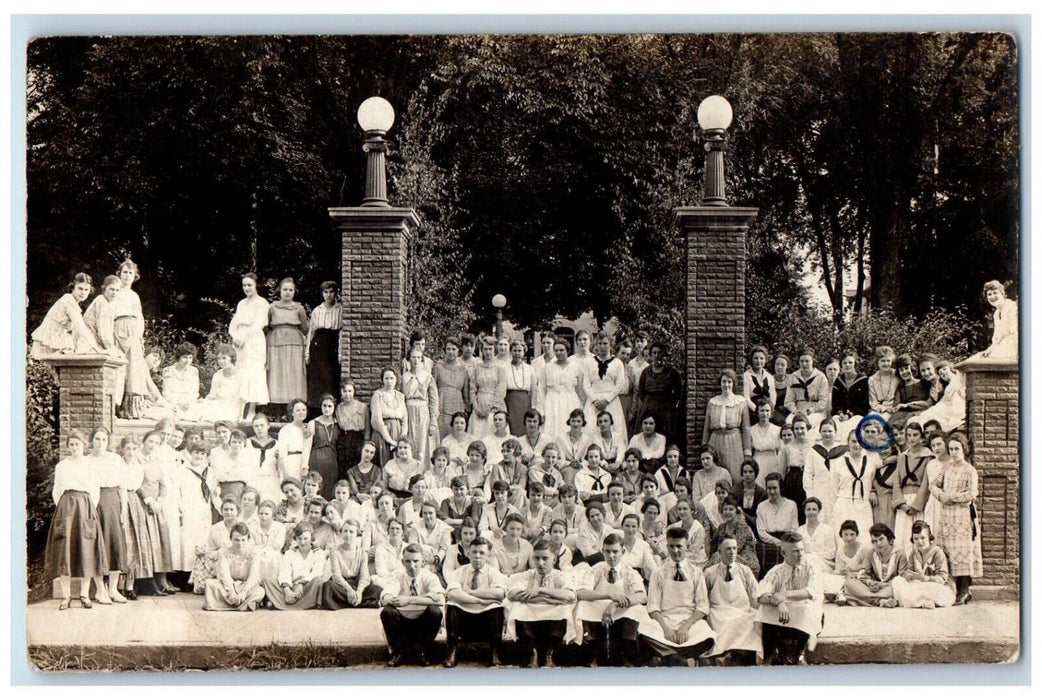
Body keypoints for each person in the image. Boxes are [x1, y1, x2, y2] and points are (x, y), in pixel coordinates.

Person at [45, 431, 108, 610]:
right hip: (66, 507)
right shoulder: (62, 466)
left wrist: (88, 509)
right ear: (68, 446)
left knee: (86, 551)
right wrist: (63, 507)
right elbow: (57, 490)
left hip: (85, 506)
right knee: (65, 551)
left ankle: (84, 594)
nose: (74, 448)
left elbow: (95, 490)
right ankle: (66, 596)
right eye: (71, 444)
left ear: (83, 446)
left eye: (77, 445)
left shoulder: (90, 464)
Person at [637, 526, 717, 666]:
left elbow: (703, 606)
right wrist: (666, 629)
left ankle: (667, 656)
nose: (675, 551)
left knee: (707, 635)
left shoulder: (696, 572)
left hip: (689, 620)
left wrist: (685, 627)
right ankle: (677, 657)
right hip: (665, 619)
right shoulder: (658, 573)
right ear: (667, 546)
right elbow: (653, 606)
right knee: (644, 630)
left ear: (687, 546)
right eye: (671, 546)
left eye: (679, 546)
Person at [575, 533, 649, 667]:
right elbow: (581, 593)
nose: (611, 556)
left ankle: (628, 652)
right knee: (582, 605)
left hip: (621, 611)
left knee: (637, 608)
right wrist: (608, 597)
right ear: (602, 551)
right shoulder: (596, 569)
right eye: (607, 551)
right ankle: (591, 650)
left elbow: (642, 596)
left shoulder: (629, 571)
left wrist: (615, 603)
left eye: (615, 551)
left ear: (623, 551)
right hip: (599, 611)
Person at [756, 531, 824, 665]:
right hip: (783, 620)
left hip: (805, 618)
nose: (800, 555)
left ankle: (799, 654)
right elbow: (760, 593)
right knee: (764, 608)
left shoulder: (811, 567)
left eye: (801, 550)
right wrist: (778, 603)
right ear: (783, 553)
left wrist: (785, 594)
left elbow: (813, 590)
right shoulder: (777, 571)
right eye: (795, 551)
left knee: (808, 606)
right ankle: (768, 656)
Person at [507, 539, 577, 668]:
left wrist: (540, 590)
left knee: (564, 609)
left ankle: (549, 654)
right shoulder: (528, 575)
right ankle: (532, 653)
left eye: (545, 558)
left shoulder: (560, 576)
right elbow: (512, 593)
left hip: (551, 623)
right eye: (537, 559)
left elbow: (570, 595)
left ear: (554, 559)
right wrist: (550, 599)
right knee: (517, 607)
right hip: (532, 622)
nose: (540, 563)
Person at [933, 432, 982, 605]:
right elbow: (933, 485)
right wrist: (940, 495)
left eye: (957, 449)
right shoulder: (946, 467)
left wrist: (951, 497)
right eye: (951, 449)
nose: (954, 452)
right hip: (946, 515)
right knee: (948, 550)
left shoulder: (970, 470)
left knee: (962, 551)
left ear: (964, 449)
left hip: (962, 516)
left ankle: (964, 590)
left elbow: (971, 494)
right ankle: (951, 589)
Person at [443, 537, 508, 667]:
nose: (477, 556)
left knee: (497, 608)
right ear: (468, 553)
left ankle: (495, 651)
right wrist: (481, 600)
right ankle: (452, 650)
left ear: (488, 555)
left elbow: (499, 593)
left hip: (485, 622)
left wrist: (470, 592)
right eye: (474, 552)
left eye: (482, 553)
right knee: (451, 606)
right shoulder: (459, 572)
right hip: (464, 622)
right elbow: (452, 594)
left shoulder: (494, 573)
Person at [378, 544, 446, 667]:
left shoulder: (430, 577)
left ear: (423, 562)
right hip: (402, 623)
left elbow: (440, 600)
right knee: (387, 612)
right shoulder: (397, 576)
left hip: (423, 623)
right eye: (408, 561)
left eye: (416, 561)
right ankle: (398, 652)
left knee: (435, 611)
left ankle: (422, 651)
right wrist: (427, 598)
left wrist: (409, 600)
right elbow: (384, 598)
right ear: (402, 562)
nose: (412, 566)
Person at [85, 428, 128, 604]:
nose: (100, 442)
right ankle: (100, 590)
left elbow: (122, 486)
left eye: (103, 439)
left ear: (108, 442)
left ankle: (113, 589)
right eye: (97, 439)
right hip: (93, 502)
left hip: (112, 502)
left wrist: (123, 509)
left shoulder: (115, 459)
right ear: (91, 440)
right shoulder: (86, 461)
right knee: (97, 544)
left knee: (115, 544)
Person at [704, 535, 761, 665]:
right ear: (719, 552)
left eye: (734, 548)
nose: (732, 552)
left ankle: (735, 655)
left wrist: (757, 612)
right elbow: (703, 596)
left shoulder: (745, 571)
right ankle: (724, 654)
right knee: (725, 621)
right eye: (728, 549)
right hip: (719, 610)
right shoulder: (710, 572)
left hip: (742, 610)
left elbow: (754, 594)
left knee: (750, 620)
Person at [135, 430, 176, 595]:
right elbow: (137, 482)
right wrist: (149, 500)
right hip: (143, 504)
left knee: (162, 541)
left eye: (156, 443)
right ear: (144, 441)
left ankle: (161, 581)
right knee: (148, 542)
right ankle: (148, 584)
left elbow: (163, 484)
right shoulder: (137, 458)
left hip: (157, 506)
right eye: (150, 441)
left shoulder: (157, 460)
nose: (153, 446)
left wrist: (160, 500)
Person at [173, 442, 218, 588]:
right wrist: (179, 510)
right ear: (190, 453)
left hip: (204, 512)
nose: (199, 456)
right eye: (196, 453)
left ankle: (199, 577)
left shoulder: (210, 472)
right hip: (188, 511)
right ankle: (184, 578)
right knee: (187, 544)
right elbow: (176, 493)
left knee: (202, 543)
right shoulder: (181, 471)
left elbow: (214, 493)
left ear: (207, 456)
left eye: (203, 454)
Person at [31, 272, 104, 360]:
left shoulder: (74, 303)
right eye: (80, 288)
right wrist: (97, 348)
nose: (83, 293)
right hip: (47, 340)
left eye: (86, 290)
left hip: (57, 340)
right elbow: (80, 327)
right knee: (48, 370)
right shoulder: (68, 300)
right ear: (73, 287)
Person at [229, 272, 270, 417]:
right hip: (240, 342)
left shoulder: (262, 303)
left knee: (254, 373)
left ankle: (252, 410)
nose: (247, 288)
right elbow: (234, 323)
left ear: (256, 286)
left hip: (254, 342)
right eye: (244, 285)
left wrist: (244, 339)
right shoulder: (241, 303)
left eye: (249, 285)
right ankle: (240, 410)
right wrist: (235, 336)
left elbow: (257, 324)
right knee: (241, 372)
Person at [262, 521, 329, 609]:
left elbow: (317, 572)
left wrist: (301, 584)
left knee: (318, 580)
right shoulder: (289, 553)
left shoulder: (318, 553)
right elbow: (284, 572)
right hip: (291, 587)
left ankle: (287, 603)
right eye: (299, 538)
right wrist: (287, 590)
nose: (302, 542)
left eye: (306, 538)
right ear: (295, 538)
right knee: (267, 579)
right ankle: (289, 599)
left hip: (306, 588)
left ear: (311, 537)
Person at [891, 521, 957, 609]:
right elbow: (909, 572)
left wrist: (924, 578)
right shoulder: (913, 553)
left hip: (938, 586)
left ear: (929, 538)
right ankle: (923, 602)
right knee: (897, 580)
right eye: (916, 539)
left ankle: (915, 602)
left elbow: (942, 578)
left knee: (940, 594)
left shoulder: (938, 553)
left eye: (923, 538)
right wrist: (907, 575)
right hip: (920, 586)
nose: (919, 542)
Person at [266, 277, 308, 413]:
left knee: (294, 375)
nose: (288, 292)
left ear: (294, 291)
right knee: (277, 375)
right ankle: (276, 410)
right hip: (276, 343)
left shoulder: (299, 308)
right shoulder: (272, 307)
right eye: (285, 289)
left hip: (295, 344)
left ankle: (292, 409)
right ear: (280, 291)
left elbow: (304, 328)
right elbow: (266, 326)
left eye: (291, 290)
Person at [202, 523, 265, 612]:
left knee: (260, 591)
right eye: (236, 540)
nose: (240, 543)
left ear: (248, 539)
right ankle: (244, 604)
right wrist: (231, 592)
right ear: (231, 539)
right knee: (210, 584)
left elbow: (253, 575)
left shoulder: (254, 553)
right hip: (228, 586)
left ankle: (229, 603)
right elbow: (225, 575)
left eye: (243, 540)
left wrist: (244, 592)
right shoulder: (223, 552)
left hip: (245, 585)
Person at [891, 421, 933, 552]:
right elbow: (896, 481)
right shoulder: (903, 457)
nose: (912, 438)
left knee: (918, 534)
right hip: (904, 501)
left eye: (915, 435)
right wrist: (901, 503)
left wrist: (916, 506)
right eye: (909, 435)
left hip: (918, 502)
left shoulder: (928, 457)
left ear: (921, 436)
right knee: (901, 535)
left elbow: (925, 484)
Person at [580, 333, 629, 445]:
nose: (602, 346)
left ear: (610, 345)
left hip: (611, 401)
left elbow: (619, 384)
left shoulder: (617, 363)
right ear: (596, 345)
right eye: (600, 344)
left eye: (605, 343)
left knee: (614, 428)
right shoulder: (589, 362)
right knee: (591, 428)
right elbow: (586, 384)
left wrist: (607, 400)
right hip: (594, 401)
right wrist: (594, 400)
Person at [703, 369, 753, 480]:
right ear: (720, 383)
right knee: (715, 474)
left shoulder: (740, 402)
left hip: (734, 442)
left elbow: (746, 429)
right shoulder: (712, 402)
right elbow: (706, 428)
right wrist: (704, 447)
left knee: (735, 474)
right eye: (724, 382)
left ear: (733, 383)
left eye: (729, 382)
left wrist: (747, 451)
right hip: (715, 441)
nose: (726, 385)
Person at [842, 523, 907, 607]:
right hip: (874, 588)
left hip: (890, 587)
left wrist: (884, 585)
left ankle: (864, 600)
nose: (878, 543)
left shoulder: (900, 554)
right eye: (875, 541)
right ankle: (881, 601)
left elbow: (902, 578)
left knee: (898, 589)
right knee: (849, 583)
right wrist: (871, 583)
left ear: (888, 538)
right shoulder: (871, 553)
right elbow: (864, 573)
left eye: (881, 539)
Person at [832, 430, 879, 545]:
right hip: (844, 504)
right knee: (844, 540)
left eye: (860, 441)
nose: (857, 445)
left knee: (865, 540)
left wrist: (872, 491)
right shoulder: (837, 463)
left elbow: (873, 480)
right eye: (853, 441)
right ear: (848, 442)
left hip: (863, 504)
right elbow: (833, 489)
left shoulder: (871, 462)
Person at [633, 342, 682, 444]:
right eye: (654, 353)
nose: (657, 355)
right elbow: (640, 392)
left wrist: (670, 405)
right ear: (651, 355)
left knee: (665, 434)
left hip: (665, 407)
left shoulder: (672, 372)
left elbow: (678, 392)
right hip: (649, 405)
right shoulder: (646, 372)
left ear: (664, 355)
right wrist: (646, 404)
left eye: (660, 353)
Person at [320, 519, 374, 609]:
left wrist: (359, 592)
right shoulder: (335, 551)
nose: (348, 535)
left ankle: (348, 602)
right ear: (341, 533)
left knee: (375, 589)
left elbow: (364, 576)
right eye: (345, 531)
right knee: (328, 587)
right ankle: (360, 603)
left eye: (351, 532)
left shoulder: (362, 553)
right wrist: (349, 590)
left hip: (356, 584)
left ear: (357, 534)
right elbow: (336, 576)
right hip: (342, 585)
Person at [537, 338, 583, 443]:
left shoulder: (576, 367)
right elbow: (541, 389)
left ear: (568, 351)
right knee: (553, 427)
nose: (558, 353)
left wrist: (581, 407)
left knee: (568, 425)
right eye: (556, 350)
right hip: (552, 401)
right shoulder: (547, 368)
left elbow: (580, 389)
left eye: (561, 350)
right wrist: (541, 410)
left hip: (570, 401)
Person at [190, 497, 240, 594]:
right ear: (221, 511)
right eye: (226, 509)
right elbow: (210, 548)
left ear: (237, 511)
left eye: (231, 509)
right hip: (220, 557)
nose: (228, 512)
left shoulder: (241, 527)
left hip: (237, 558)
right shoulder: (216, 528)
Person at [306, 281, 342, 410]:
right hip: (318, 345)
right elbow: (311, 332)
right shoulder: (317, 310)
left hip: (332, 343)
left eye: (331, 292)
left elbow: (342, 331)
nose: (329, 295)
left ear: (336, 293)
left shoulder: (341, 309)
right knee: (318, 378)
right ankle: (316, 409)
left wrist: (341, 352)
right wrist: (307, 353)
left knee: (330, 378)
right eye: (326, 292)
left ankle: (331, 407)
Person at [402, 345, 440, 468]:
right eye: (413, 357)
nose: (416, 360)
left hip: (423, 414)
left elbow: (434, 401)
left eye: (419, 357)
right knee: (410, 444)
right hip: (408, 412)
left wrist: (433, 421)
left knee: (423, 446)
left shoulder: (428, 377)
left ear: (422, 359)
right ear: (409, 359)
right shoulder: (404, 377)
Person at [803, 418, 845, 525]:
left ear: (835, 432)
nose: (827, 434)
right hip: (818, 490)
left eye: (830, 431)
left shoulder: (843, 451)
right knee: (819, 519)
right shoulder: (814, 450)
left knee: (836, 520)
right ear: (820, 432)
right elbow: (808, 473)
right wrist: (810, 495)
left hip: (837, 491)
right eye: (824, 431)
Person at [705, 497, 760, 578]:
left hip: (745, 561)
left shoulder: (742, 527)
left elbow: (735, 549)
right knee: (716, 558)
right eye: (725, 509)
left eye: (731, 509)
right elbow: (713, 543)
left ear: (736, 512)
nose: (727, 512)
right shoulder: (722, 527)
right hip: (726, 557)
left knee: (718, 556)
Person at [755, 472, 798, 574]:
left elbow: (794, 529)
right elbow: (761, 532)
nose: (772, 491)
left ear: (780, 488)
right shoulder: (761, 506)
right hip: (768, 543)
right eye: (769, 488)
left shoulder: (791, 505)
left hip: (787, 541)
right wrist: (777, 542)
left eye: (775, 488)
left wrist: (784, 542)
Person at [370, 367, 409, 469]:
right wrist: (390, 440)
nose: (389, 381)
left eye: (391, 378)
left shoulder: (400, 396)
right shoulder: (378, 395)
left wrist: (402, 438)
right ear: (382, 380)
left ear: (396, 379)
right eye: (386, 378)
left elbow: (404, 419)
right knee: (384, 462)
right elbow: (377, 419)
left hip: (397, 432)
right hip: (382, 434)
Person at [470, 337, 508, 440]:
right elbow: (472, 389)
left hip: (494, 407)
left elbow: (501, 391)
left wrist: (490, 408)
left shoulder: (500, 369)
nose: (488, 352)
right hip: (479, 405)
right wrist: (476, 407)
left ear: (494, 350)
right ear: (482, 350)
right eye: (485, 349)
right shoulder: (477, 368)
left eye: (490, 349)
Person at [433, 337, 471, 438]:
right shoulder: (438, 367)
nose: (451, 352)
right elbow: (432, 390)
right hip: (441, 408)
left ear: (458, 351)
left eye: (453, 349)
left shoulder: (463, 370)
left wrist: (466, 410)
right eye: (448, 349)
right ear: (445, 350)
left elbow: (466, 394)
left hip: (457, 409)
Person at [784, 348, 829, 430]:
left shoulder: (821, 377)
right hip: (798, 410)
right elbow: (788, 400)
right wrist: (795, 411)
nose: (804, 364)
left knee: (808, 423)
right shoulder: (793, 377)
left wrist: (811, 410)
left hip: (816, 411)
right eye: (801, 361)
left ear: (812, 361)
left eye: (807, 361)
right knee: (789, 422)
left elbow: (823, 401)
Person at [972, 279, 1018, 360]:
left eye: (995, 293)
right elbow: (996, 340)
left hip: (1014, 347)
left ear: (1002, 294)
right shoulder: (996, 314)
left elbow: (1015, 334)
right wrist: (989, 351)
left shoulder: (1012, 307)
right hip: (1003, 347)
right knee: (976, 358)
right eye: (989, 294)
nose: (992, 296)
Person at [305, 393, 340, 500]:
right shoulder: (313, 423)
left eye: (330, 406)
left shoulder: (338, 424)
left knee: (330, 489)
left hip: (331, 462)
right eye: (324, 406)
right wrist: (304, 466)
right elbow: (307, 446)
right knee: (315, 487)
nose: (327, 409)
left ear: (334, 407)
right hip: (316, 459)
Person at [916, 361, 967, 432]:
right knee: (926, 415)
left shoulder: (959, 377)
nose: (943, 373)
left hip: (957, 406)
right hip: (949, 407)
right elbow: (943, 401)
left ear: (950, 368)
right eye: (941, 374)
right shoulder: (947, 386)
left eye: (944, 369)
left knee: (929, 415)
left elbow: (963, 367)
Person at [198, 344, 244, 423]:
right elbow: (212, 395)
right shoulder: (217, 375)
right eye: (218, 359)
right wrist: (204, 401)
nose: (221, 361)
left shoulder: (241, 375)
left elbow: (243, 398)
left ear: (232, 358)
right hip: (218, 404)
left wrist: (241, 415)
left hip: (232, 407)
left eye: (224, 358)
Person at [334, 380, 370, 479]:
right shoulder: (338, 408)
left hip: (358, 439)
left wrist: (366, 443)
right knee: (343, 467)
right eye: (344, 391)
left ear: (354, 391)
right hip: (344, 440)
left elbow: (367, 428)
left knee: (357, 467)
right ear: (341, 392)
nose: (347, 394)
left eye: (350, 391)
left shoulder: (362, 407)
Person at [781, 414, 813, 522]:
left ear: (807, 428)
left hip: (809, 479)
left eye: (802, 428)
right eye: (796, 428)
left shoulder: (814, 446)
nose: (799, 431)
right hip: (793, 481)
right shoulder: (788, 448)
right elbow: (782, 470)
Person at [830, 349, 870, 434]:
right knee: (835, 425)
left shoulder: (863, 381)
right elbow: (836, 402)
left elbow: (864, 404)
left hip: (857, 414)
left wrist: (849, 415)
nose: (847, 365)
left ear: (855, 363)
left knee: (849, 426)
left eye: (850, 362)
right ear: (841, 365)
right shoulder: (838, 381)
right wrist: (840, 412)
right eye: (844, 363)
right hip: (841, 415)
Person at [890, 353, 934, 429]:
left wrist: (909, 406)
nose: (904, 372)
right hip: (904, 413)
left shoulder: (923, 383)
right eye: (901, 370)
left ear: (912, 368)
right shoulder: (900, 389)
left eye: (906, 368)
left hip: (921, 411)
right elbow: (896, 406)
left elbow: (929, 402)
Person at [500, 339, 534, 436]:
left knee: (524, 427)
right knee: (511, 427)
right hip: (510, 401)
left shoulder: (530, 369)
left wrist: (534, 405)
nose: (517, 353)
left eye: (520, 351)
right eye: (514, 350)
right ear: (510, 352)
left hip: (525, 402)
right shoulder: (504, 368)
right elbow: (502, 389)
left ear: (524, 352)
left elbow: (534, 390)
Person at [161, 343, 201, 419]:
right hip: (173, 403)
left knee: (199, 412)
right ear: (178, 357)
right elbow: (166, 392)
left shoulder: (194, 371)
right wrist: (178, 403)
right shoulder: (168, 371)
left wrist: (187, 403)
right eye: (185, 357)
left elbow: (195, 391)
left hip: (188, 404)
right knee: (168, 413)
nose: (187, 361)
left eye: (190, 358)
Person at [250, 500, 287, 582]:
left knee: (272, 559)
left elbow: (277, 546)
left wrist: (260, 548)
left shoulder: (280, 527)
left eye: (266, 514)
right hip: (256, 557)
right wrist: (266, 547)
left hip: (274, 558)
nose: (263, 516)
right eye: (261, 513)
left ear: (273, 516)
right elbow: (250, 547)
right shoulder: (252, 528)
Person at [489, 437, 528, 509]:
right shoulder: (497, 467)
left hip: (517, 497)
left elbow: (521, 486)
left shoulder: (523, 468)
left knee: (521, 493)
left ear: (516, 452)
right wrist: (512, 487)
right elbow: (495, 487)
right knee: (520, 493)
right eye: (503, 451)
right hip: (500, 498)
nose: (505, 454)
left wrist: (508, 487)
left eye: (508, 451)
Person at [619, 513, 660, 581]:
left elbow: (650, 563)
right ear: (622, 526)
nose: (630, 529)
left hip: (638, 580)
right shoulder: (617, 545)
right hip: (620, 579)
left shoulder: (643, 545)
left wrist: (658, 576)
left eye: (633, 526)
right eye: (627, 526)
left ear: (638, 528)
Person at [749, 399, 782, 483]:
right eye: (762, 410)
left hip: (773, 461)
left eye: (767, 410)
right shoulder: (751, 430)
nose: (764, 413)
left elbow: (781, 450)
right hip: (757, 460)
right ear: (757, 412)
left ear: (771, 413)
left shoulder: (778, 430)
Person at [733, 459, 767, 534]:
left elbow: (761, 518)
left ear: (756, 473)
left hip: (756, 528)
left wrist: (744, 515)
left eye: (751, 472)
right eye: (745, 472)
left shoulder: (762, 493)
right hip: (737, 527)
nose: (747, 474)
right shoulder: (735, 490)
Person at [346, 440, 385, 505]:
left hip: (372, 498)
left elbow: (375, 488)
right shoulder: (351, 471)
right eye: (366, 451)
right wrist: (359, 495)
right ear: (361, 450)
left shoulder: (377, 471)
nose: (368, 455)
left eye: (372, 452)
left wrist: (369, 498)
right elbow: (354, 488)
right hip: (357, 498)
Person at [868, 346, 900, 418]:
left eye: (888, 361)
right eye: (883, 361)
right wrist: (884, 409)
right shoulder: (872, 380)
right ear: (878, 362)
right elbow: (873, 402)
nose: (886, 364)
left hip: (896, 409)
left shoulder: (897, 375)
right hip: (878, 410)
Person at [770, 354, 794, 426]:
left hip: (789, 410)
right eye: (777, 364)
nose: (779, 367)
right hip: (774, 410)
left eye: (782, 365)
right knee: (781, 421)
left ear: (787, 366)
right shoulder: (769, 379)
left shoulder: (792, 379)